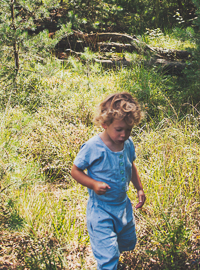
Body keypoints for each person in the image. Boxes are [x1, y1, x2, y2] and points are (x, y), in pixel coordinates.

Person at [71, 92, 146, 270]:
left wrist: (139, 189)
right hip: (101, 210)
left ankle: (112, 257)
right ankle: (108, 262)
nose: (124, 134)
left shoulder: (127, 144)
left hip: (122, 206)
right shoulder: (93, 147)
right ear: (105, 124)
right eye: (119, 130)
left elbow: (131, 166)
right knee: (108, 256)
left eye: (129, 130)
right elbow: (75, 171)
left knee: (127, 242)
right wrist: (93, 184)